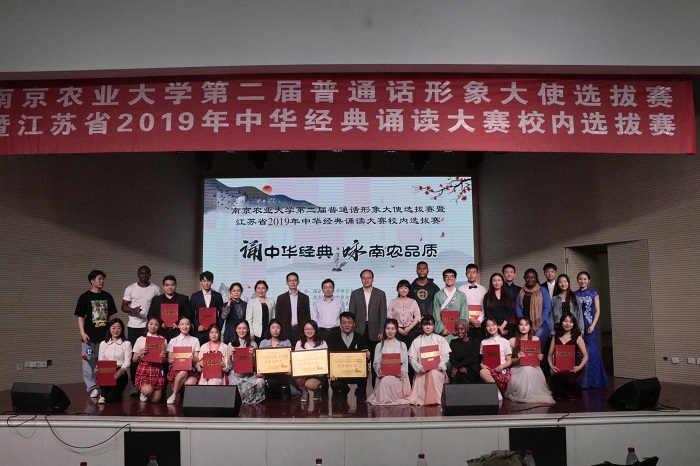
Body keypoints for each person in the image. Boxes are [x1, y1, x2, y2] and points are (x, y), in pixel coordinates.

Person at [75, 269, 118, 399]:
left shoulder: (107, 296)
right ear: (92, 281)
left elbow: (111, 317)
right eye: (99, 279)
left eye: (103, 279)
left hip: (104, 336)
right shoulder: (84, 297)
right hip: (89, 336)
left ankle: (104, 386)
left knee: (104, 362)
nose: (102, 281)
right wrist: (82, 333)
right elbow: (80, 317)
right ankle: (92, 387)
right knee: (88, 362)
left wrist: (112, 333)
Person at [121, 266, 161, 396]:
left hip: (150, 327)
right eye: (142, 273)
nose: (144, 275)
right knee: (135, 356)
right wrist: (132, 310)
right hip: (134, 326)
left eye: (146, 273)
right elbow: (123, 306)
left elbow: (159, 306)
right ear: (138, 274)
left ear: (150, 274)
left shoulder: (155, 289)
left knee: (152, 355)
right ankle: (135, 384)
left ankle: (153, 382)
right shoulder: (130, 288)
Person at [348, 269, 387, 387]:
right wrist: (352, 331)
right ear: (361, 279)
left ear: (372, 279)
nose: (366, 280)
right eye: (364, 278)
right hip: (359, 331)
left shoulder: (380, 294)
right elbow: (351, 313)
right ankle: (361, 391)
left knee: (375, 360)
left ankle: (376, 388)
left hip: (375, 332)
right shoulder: (355, 294)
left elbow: (383, 314)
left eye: (368, 278)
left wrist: (382, 331)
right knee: (361, 362)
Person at [504, 318, 555, 404]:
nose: (523, 327)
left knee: (528, 369)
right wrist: (518, 358)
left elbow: (538, 357)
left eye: (526, 325)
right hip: (518, 368)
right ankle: (524, 394)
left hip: (533, 368)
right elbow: (509, 361)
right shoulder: (512, 341)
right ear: (518, 326)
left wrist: (539, 357)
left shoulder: (535, 339)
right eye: (521, 324)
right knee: (526, 370)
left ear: (530, 327)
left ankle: (531, 395)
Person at [574, 271, 609, 389]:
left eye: (585, 279)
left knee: (591, 352)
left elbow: (597, 311)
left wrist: (593, 325)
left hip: (590, 325)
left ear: (589, 280)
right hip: (578, 326)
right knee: (580, 352)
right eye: (580, 279)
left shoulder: (594, 293)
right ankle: (582, 381)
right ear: (577, 280)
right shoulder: (574, 294)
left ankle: (595, 381)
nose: (582, 281)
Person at [515, 268, 552, 376]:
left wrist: (538, 324)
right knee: (526, 349)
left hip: (541, 324)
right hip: (526, 324)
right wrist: (523, 323)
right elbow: (518, 308)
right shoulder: (521, 292)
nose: (530, 279)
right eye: (527, 277)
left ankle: (543, 376)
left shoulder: (542, 290)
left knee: (537, 347)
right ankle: (529, 374)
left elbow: (547, 308)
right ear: (524, 278)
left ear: (536, 278)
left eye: (532, 277)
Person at [326, 312, 370, 402]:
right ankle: (344, 390)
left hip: (356, 373)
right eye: (344, 322)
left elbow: (365, 358)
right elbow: (330, 358)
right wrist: (331, 372)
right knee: (335, 383)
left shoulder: (360, 338)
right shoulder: (333, 339)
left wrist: (367, 356)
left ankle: (360, 393)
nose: (347, 325)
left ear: (354, 323)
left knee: (364, 372)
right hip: (340, 373)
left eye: (349, 322)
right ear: (340, 324)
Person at [408, 316, 451, 406]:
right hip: (422, 371)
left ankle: (437, 399)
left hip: (437, 370)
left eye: (430, 325)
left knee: (433, 373)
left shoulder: (440, 340)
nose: (428, 327)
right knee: (429, 374)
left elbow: (446, 356)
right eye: (425, 325)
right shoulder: (417, 341)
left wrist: (440, 365)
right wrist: (419, 367)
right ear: (422, 326)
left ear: (434, 326)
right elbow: (411, 358)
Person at [367, 319, 411, 405]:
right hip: (383, 376)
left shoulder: (402, 345)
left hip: (399, 378)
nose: (390, 331)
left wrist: (402, 373)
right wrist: (379, 371)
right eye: (388, 328)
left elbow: (405, 364)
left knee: (388, 380)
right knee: (385, 380)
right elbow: (376, 363)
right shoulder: (379, 345)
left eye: (393, 329)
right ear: (384, 330)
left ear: (396, 330)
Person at [548, 313, 589, 399]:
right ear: (561, 322)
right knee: (557, 378)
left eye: (571, 322)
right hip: (559, 368)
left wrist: (579, 367)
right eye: (565, 321)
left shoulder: (577, 338)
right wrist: (551, 366)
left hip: (573, 369)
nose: (567, 324)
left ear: (574, 324)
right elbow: (550, 354)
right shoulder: (556, 337)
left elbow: (585, 355)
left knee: (566, 378)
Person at [387, 279, 421, 380]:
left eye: (406, 288)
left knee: (410, 356)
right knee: (397, 355)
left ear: (409, 290)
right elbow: (389, 317)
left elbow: (418, 317)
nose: (403, 290)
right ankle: (396, 379)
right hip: (396, 332)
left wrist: (409, 328)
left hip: (411, 331)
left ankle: (409, 380)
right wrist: (398, 329)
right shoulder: (393, 302)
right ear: (397, 289)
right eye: (401, 287)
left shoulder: (413, 302)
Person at [228, 319, 265, 403]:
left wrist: (253, 355)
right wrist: (230, 356)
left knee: (261, 380)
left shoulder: (253, 344)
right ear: (236, 329)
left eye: (244, 328)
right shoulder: (231, 344)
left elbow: (256, 365)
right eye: (239, 328)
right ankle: (244, 396)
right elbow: (229, 366)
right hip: (236, 376)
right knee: (239, 388)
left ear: (248, 329)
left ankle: (246, 397)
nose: (242, 331)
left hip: (249, 375)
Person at [166, 316, 200, 404]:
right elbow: (169, 359)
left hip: (191, 369)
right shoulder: (173, 341)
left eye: (187, 324)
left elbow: (197, 359)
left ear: (190, 326)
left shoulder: (195, 340)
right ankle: (174, 395)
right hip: (176, 369)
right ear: (178, 326)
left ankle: (187, 400)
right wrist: (172, 360)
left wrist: (192, 359)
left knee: (191, 382)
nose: (185, 327)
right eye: (182, 324)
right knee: (183, 372)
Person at [96, 318, 132, 403]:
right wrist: (97, 368)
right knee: (102, 375)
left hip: (119, 372)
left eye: (118, 328)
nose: (116, 330)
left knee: (112, 399)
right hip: (106, 371)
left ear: (122, 329)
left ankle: (106, 394)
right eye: (113, 328)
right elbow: (101, 360)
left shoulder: (126, 344)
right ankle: (103, 394)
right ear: (109, 329)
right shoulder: (103, 343)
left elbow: (127, 361)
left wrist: (121, 370)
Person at [132, 316, 167, 403]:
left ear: (159, 326)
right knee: (148, 391)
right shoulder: (140, 339)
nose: (153, 326)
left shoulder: (163, 340)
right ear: (147, 324)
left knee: (156, 400)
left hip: (158, 369)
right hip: (144, 368)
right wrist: (140, 353)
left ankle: (149, 391)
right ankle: (143, 392)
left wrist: (163, 357)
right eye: (151, 324)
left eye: (156, 325)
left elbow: (165, 361)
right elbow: (134, 360)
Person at [148, 275, 193, 341]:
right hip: (161, 332)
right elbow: (150, 316)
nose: (170, 287)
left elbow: (189, 315)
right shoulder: (156, 300)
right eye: (167, 285)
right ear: (163, 286)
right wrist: (160, 323)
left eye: (172, 285)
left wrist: (178, 323)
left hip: (179, 332)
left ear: (176, 285)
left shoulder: (183, 299)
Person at [294, 319, 328, 402]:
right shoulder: (299, 343)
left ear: (315, 330)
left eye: (311, 329)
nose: (309, 331)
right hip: (304, 373)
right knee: (298, 379)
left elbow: (326, 360)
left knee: (310, 385)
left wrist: (323, 370)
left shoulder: (322, 343)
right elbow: (296, 360)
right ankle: (305, 392)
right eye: (306, 329)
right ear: (303, 330)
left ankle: (317, 391)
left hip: (318, 374)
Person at [479, 317, 513, 401]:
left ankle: (501, 391)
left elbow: (509, 360)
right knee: (482, 372)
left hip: (501, 370)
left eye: (493, 325)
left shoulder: (504, 341)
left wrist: (501, 366)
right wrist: (482, 365)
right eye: (488, 326)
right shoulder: (483, 342)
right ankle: (496, 392)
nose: (491, 328)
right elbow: (483, 360)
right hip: (489, 370)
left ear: (497, 326)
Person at [259, 319, 292, 400]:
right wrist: (259, 370)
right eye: (273, 327)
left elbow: (290, 359)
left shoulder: (286, 342)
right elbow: (260, 360)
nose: (275, 330)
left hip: (283, 373)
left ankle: (284, 390)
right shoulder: (263, 343)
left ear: (281, 329)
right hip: (269, 372)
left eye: (278, 327)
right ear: (269, 329)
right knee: (271, 383)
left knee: (282, 380)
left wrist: (290, 368)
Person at [432, 268, 468, 343]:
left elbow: (464, 313)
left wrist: (460, 329)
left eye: (451, 276)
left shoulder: (461, 295)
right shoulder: (438, 295)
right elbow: (436, 314)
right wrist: (441, 329)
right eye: (447, 276)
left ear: (455, 279)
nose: (449, 278)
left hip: (458, 332)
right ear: (443, 279)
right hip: (444, 331)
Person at [275, 272, 311, 345]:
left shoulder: (305, 298)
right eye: (290, 280)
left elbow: (307, 316)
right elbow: (278, 317)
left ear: (298, 282)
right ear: (287, 283)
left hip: (300, 330)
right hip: (285, 331)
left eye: (294, 280)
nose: (292, 282)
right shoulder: (281, 298)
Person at [190, 271, 224, 345]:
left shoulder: (218, 296)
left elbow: (222, 313)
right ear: (200, 282)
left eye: (209, 281)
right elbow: (191, 314)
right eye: (204, 281)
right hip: (200, 332)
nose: (206, 283)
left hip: (214, 332)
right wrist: (197, 325)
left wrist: (218, 327)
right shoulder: (195, 296)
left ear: (212, 282)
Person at [458, 263, 488, 340]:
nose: (471, 275)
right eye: (469, 272)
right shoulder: (460, 290)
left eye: (473, 272)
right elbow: (460, 307)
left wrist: (479, 320)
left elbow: (485, 307)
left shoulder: (484, 289)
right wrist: (470, 319)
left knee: (480, 343)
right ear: (466, 274)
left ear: (477, 274)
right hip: (466, 323)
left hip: (480, 323)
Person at [448, 319, 481, 384]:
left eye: (461, 329)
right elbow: (452, 358)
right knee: (455, 373)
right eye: (457, 329)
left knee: (459, 372)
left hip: (471, 368)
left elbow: (473, 358)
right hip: (458, 369)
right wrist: (458, 367)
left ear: (466, 329)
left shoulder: (475, 342)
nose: (459, 331)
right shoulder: (453, 342)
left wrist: (463, 368)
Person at [483, 273, 515, 338]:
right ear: (491, 283)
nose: (497, 283)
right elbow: (487, 312)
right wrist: (495, 326)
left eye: (499, 280)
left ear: (502, 282)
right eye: (494, 281)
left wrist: (502, 326)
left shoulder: (507, 295)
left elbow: (510, 312)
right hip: (493, 328)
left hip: (506, 326)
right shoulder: (487, 296)